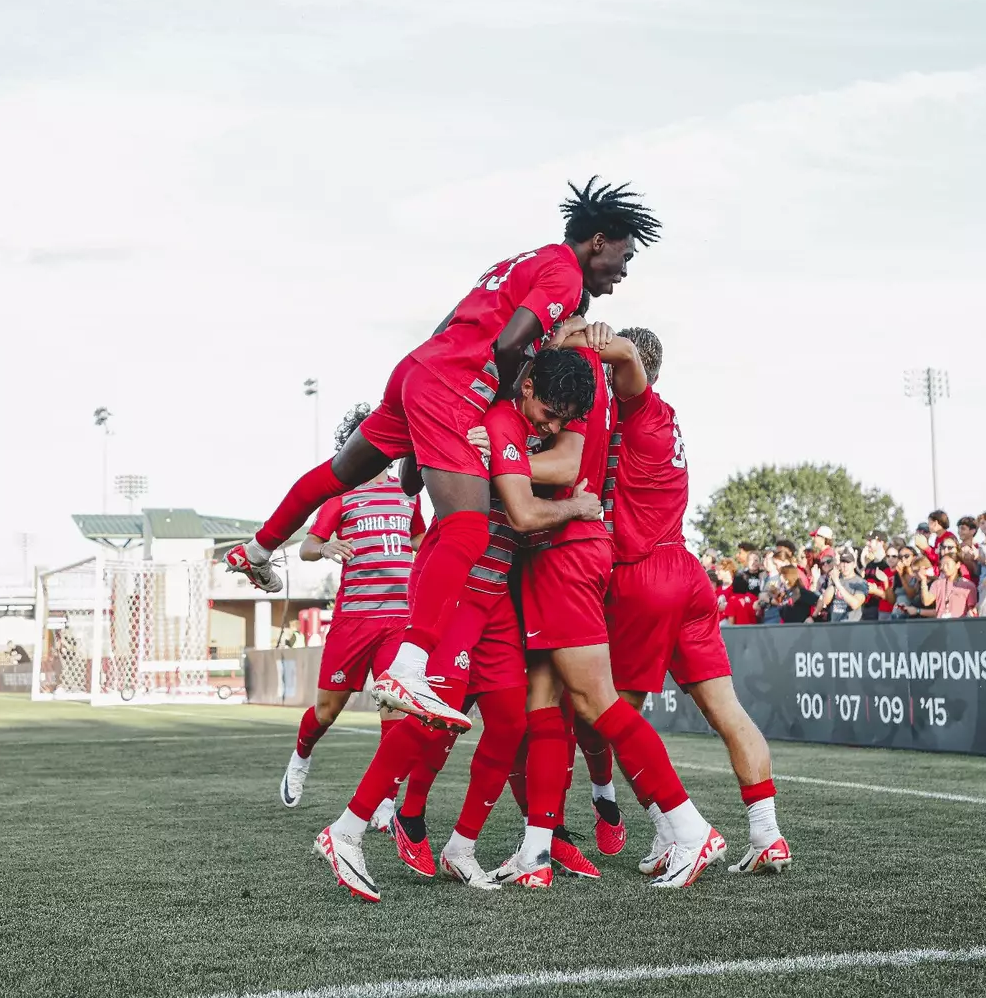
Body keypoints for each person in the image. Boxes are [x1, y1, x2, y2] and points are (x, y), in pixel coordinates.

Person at [225, 178, 660, 733]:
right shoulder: (565, 275)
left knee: (339, 474)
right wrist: (499, 400)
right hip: (454, 388)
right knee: (468, 530)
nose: (619, 277)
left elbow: (448, 322)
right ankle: (409, 665)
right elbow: (508, 345)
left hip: (417, 368)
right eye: (622, 261)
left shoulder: (521, 259)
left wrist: (417, 445)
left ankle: (260, 548)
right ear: (598, 241)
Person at [311, 348, 604, 902]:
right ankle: (346, 831)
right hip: (458, 590)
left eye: (565, 417)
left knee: (509, 722)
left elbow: (555, 469)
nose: (555, 423)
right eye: (549, 410)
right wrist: (578, 507)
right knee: (427, 720)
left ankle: (461, 847)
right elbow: (522, 514)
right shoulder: (495, 421)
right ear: (527, 384)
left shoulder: (527, 431)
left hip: (494, 597)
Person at [497, 325, 726, 891]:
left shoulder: (578, 372)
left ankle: (691, 828)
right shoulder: (592, 375)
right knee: (545, 700)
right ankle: (535, 850)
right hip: (571, 551)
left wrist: (496, 459)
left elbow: (570, 464)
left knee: (597, 702)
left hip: (568, 551)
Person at [596, 326, 791, 879]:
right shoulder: (664, 416)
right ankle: (766, 834)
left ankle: (676, 829)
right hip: (686, 570)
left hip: (646, 574)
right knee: (726, 711)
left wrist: (577, 339)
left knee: (615, 717)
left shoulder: (640, 409)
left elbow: (627, 356)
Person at [281, 404, 426, 809]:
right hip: (355, 619)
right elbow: (308, 547)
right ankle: (301, 757)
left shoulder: (408, 494)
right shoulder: (341, 494)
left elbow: (420, 541)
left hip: (400, 618)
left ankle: (384, 800)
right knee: (327, 711)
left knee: (394, 706)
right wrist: (325, 546)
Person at [915, 552, 977, 619]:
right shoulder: (937, 584)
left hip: (960, 624)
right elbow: (926, 601)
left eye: (947, 564)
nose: (944, 567)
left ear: (958, 565)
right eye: (942, 564)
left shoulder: (968, 585)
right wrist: (923, 580)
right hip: (941, 624)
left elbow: (972, 609)